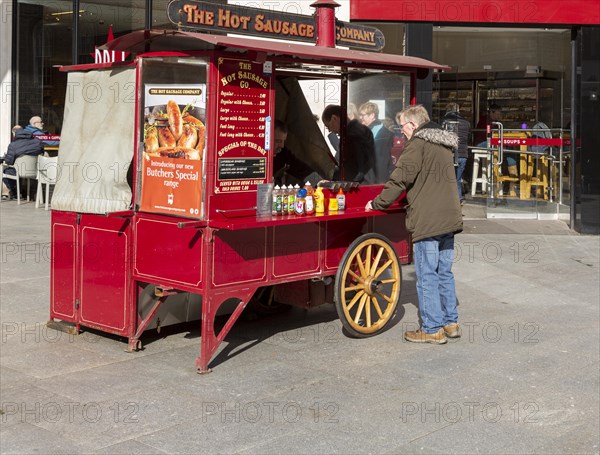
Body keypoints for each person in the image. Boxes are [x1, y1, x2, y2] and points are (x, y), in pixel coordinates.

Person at [365, 104, 463, 344]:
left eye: (403, 128)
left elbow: (399, 179)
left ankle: (431, 328)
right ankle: (451, 323)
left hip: (428, 220)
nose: (402, 133)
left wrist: (376, 204)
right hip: (449, 217)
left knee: (427, 274)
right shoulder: (444, 144)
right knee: (444, 272)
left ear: (413, 125)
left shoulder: (418, 144)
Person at [322, 104, 375, 184]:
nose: (329, 130)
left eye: (328, 126)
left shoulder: (350, 137)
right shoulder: (364, 130)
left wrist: (332, 177)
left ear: (334, 118)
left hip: (357, 186)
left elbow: (351, 170)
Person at [2, 128, 44, 200]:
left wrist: (6, 158)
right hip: (35, 172)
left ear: (16, 135)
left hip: (19, 172)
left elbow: (9, 162)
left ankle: (16, 194)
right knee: (15, 170)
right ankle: (20, 193)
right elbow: (42, 153)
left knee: (6, 171)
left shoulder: (13, 145)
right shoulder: (38, 142)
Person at [442, 102, 471, 205]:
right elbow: (469, 137)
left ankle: (448, 199)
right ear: (458, 110)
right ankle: (458, 198)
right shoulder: (467, 123)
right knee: (457, 179)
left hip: (449, 153)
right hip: (463, 153)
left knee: (447, 178)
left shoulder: (444, 122)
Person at [359, 102, 394, 183]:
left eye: (363, 115)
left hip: (374, 182)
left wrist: (379, 185)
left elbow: (381, 163)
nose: (360, 118)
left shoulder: (382, 134)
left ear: (372, 115)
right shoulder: (367, 131)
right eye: (360, 115)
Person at [273, 120, 314, 186]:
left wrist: (317, 179)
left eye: (283, 141)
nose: (282, 145)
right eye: (278, 141)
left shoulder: (282, 153)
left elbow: (299, 167)